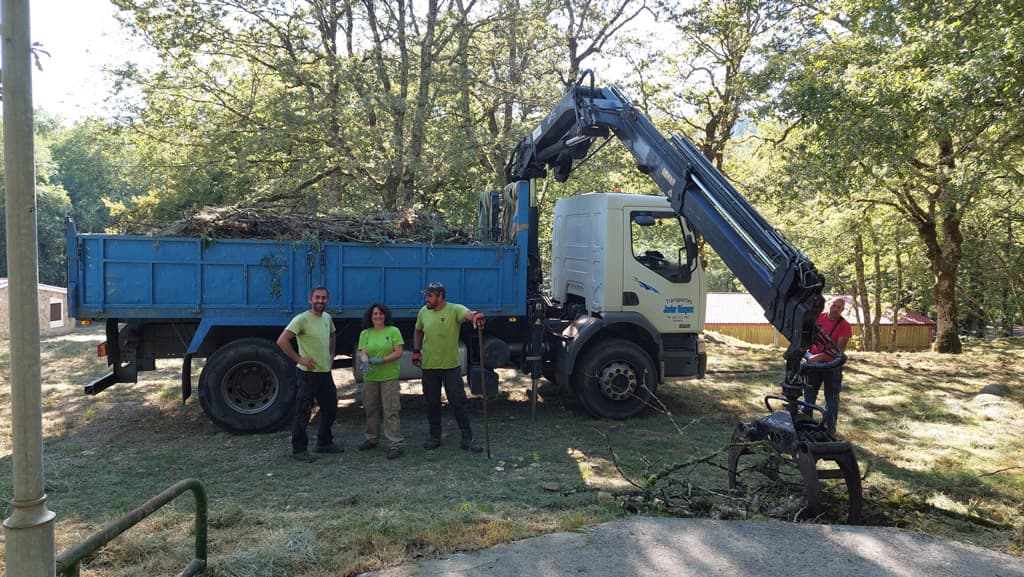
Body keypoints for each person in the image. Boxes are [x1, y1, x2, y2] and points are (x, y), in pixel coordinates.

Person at [412, 282, 485, 452]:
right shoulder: (423, 312)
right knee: (432, 402)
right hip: (429, 367)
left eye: (430, 296)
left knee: (458, 402)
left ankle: (467, 438)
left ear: (440, 296)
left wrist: (475, 316)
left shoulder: (454, 309)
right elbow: (418, 330)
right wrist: (416, 351)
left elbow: (467, 314)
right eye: (426, 295)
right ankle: (434, 437)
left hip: (450, 367)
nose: (426, 299)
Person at [276, 286, 341, 462]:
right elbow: (282, 341)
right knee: (303, 411)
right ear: (310, 300)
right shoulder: (302, 319)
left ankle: (324, 442)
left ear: (327, 300)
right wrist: (299, 359)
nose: (320, 301)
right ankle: (299, 450)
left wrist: (331, 354)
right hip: (307, 374)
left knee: (330, 408)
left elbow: (332, 335)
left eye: (324, 298)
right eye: (317, 298)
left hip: (324, 372)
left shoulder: (327, 317)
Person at [356, 303, 405, 459]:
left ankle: (395, 443)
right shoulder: (365, 333)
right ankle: (372, 438)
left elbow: (398, 352)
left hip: (388, 377)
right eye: (375, 314)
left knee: (390, 409)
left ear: (386, 316)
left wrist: (382, 360)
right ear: (370, 316)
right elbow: (363, 351)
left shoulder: (393, 331)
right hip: (370, 378)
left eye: (381, 314)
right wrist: (364, 361)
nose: (378, 316)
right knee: (370, 408)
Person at [803, 296, 853, 432]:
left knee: (831, 398)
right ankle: (805, 424)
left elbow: (839, 350)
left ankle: (829, 428)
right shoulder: (818, 318)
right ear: (829, 305)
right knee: (809, 395)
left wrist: (818, 357)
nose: (835, 309)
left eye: (839, 307)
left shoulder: (844, 326)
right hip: (812, 364)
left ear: (843, 309)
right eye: (834, 305)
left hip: (831, 366)